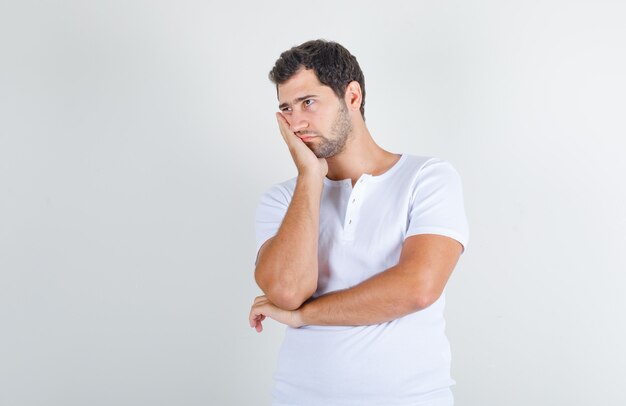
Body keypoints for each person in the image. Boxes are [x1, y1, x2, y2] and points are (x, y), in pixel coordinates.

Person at [248, 39, 469, 406]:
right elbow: (286, 291)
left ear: (352, 96)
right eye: (286, 108)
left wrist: (304, 316)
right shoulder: (282, 199)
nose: (296, 121)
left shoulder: (427, 178)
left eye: (308, 102)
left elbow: (418, 287)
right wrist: (309, 178)